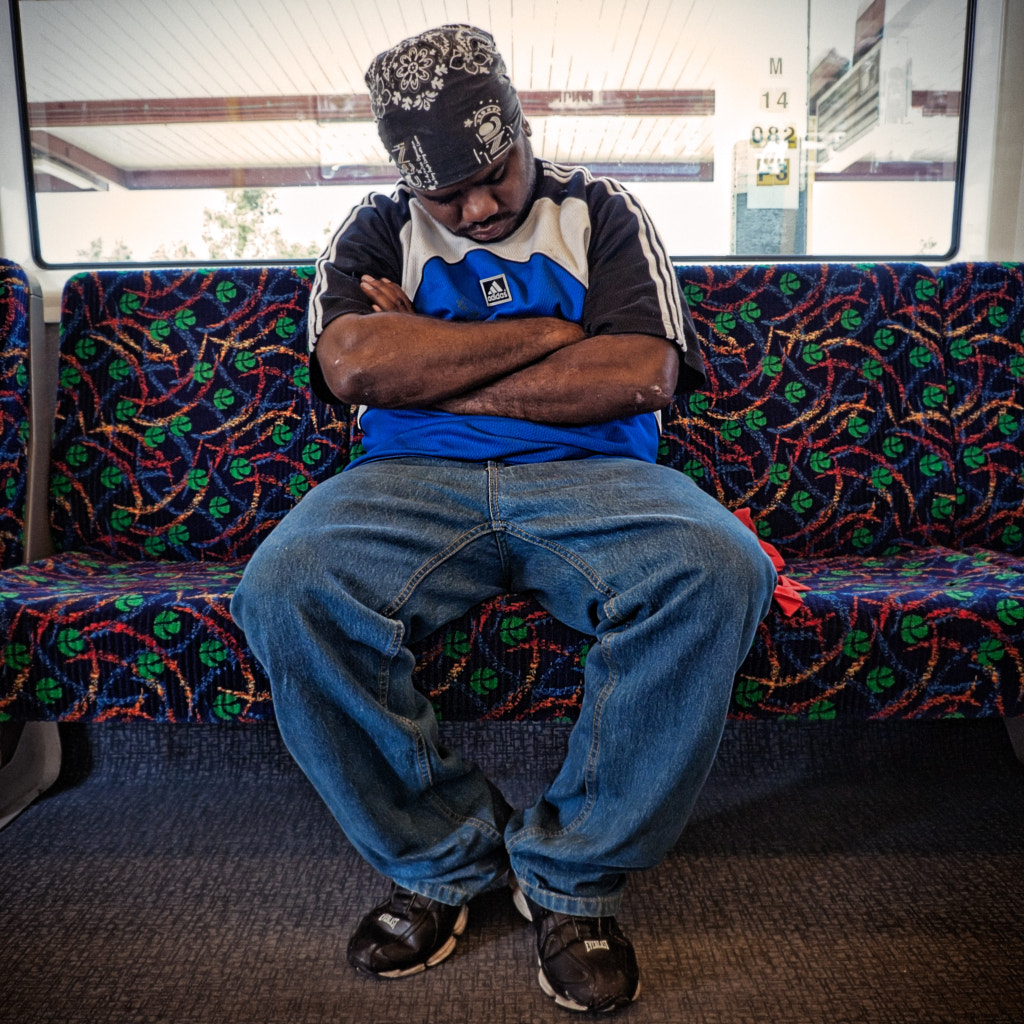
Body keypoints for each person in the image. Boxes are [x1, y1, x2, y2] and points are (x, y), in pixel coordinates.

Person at [231, 23, 776, 1015]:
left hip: (599, 480)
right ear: (408, 183)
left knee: (718, 565)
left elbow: (637, 374)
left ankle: (571, 877)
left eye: (498, 171)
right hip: (405, 483)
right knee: (286, 586)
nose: (481, 206)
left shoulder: (603, 212)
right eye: (450, 195)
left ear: (523, 129)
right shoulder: (369, 228)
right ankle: (444, 861)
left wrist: (430, 359)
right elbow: (352, 368)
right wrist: (547, 337)